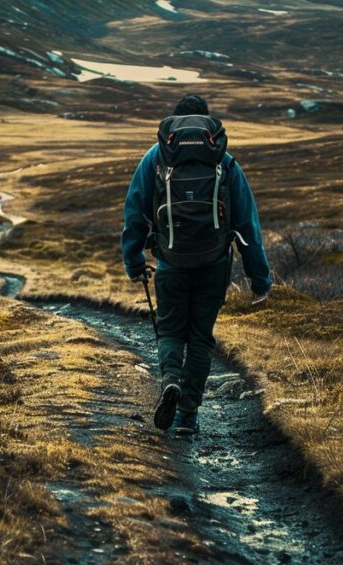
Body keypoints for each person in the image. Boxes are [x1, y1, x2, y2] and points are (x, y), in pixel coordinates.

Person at [122, 94, 272, 435]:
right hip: (214, 263)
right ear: (207, 123)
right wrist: (259, 280)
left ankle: (171, 380)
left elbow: (134, 213)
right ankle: (188, 415)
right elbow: (248, 226)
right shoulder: (226, 163)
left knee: (172, 330)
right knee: (201, 338)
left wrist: (133, 261)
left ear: (174, 123)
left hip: (171, 262)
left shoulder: (154, 160)